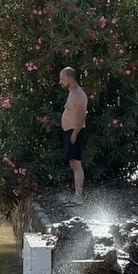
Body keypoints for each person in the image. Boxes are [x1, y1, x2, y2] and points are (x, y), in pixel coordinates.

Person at [59, 66, 88, 199]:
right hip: (69, 131)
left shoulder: (79, 95)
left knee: (76, 163)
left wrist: (75, 134)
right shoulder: (72, 92)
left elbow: (82, 116)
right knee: (73, 163)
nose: (60, 82)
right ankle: (77, 193)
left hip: (76, 132)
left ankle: (78, 195)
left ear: (70, 78)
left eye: (62, 78)